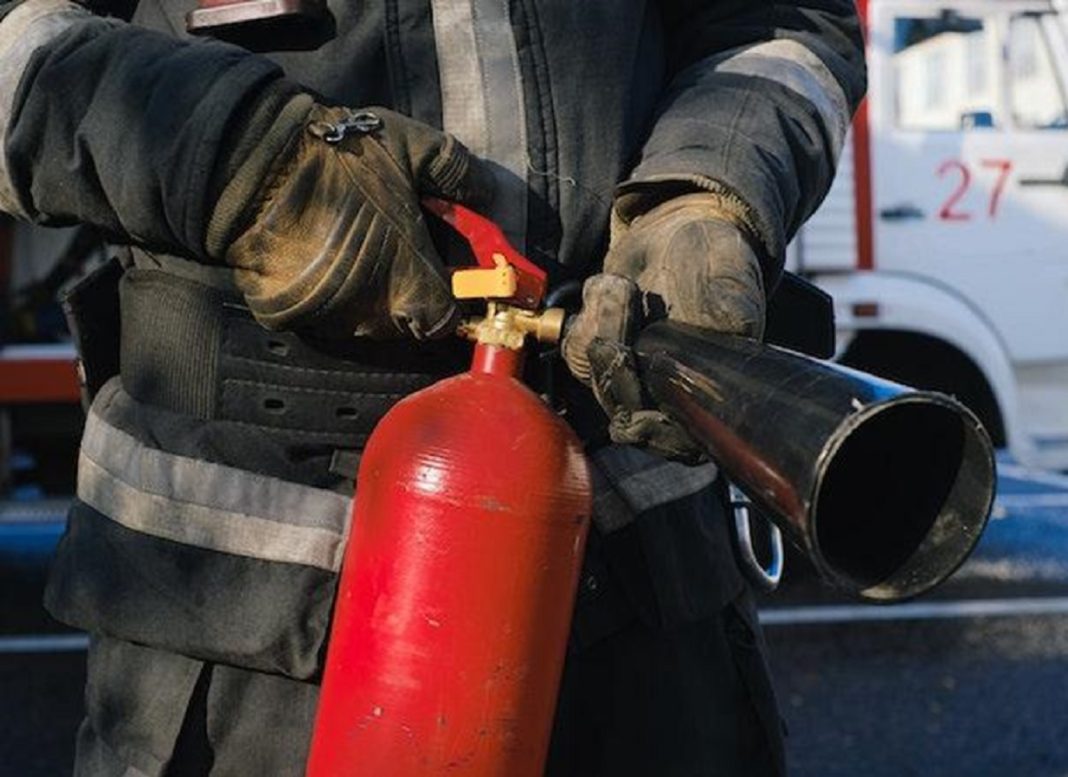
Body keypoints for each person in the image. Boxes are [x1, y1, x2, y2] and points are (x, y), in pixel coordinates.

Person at [0, 1, 865, 774]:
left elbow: (778, 21)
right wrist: (239, 160)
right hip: (248, 656)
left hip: (646, 623)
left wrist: (707, 193)